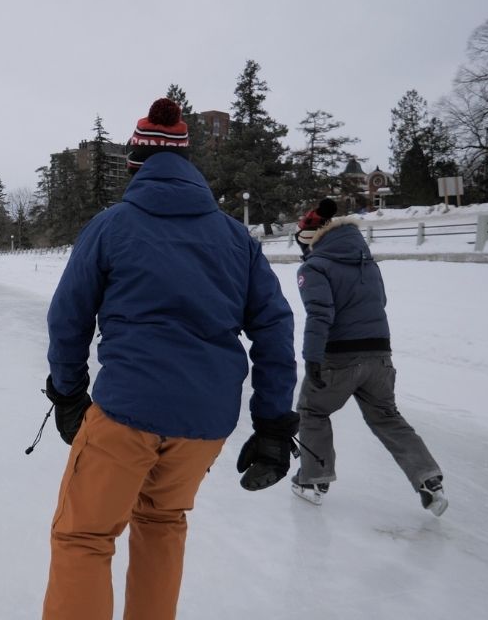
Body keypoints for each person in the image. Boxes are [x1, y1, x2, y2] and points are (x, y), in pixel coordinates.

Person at [41, 98, 298, 620]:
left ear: (135, 163)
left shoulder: (112, 226)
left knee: (84, 537)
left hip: (126, 413)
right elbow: (274, 327)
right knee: (161, 526)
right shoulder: (234, 237)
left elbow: (68, 318)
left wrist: (69, 393)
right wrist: (272, 423)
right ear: (186, 164)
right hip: (203, 424)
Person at [292, 214, 448, 516]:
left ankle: (313, 481)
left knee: (312, 410)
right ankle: (428, 477)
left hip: (337, 357)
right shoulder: (368, 264)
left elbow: (320, 314)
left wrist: (311, 356)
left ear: (311, 240)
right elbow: (380, 303)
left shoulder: (314, 267)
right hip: (379, 356)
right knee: (387, 417)